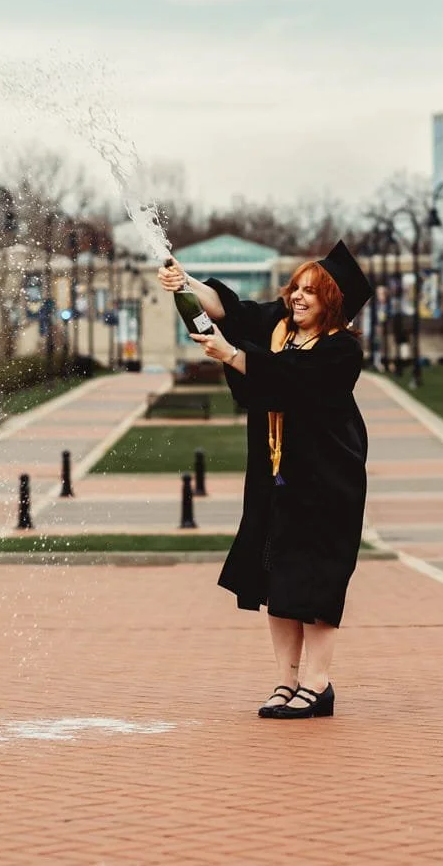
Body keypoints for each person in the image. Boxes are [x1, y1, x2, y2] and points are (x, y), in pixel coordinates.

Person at [159, 241, 372, 721]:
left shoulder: (341, 351)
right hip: (274, 477)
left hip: (326, 482)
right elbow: (231, 310)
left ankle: (317, 685)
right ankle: (287, 681)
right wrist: (185, 282)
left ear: (333, 302)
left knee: (316, 581)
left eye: (311, 292)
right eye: (295, 288)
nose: (297, 298)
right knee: (276, 575)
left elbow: (294, 380)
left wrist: (234, 356)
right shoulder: (278, 329)